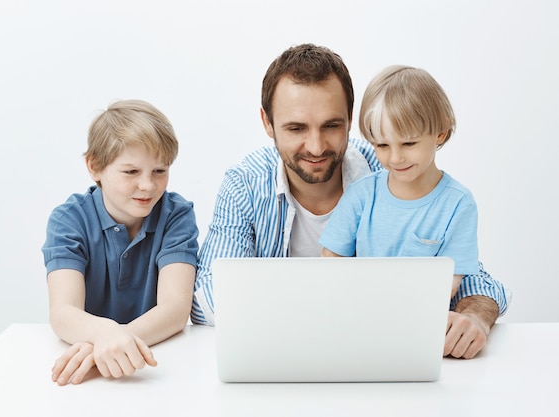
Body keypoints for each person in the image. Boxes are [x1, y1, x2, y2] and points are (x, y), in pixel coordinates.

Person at [192, 43, 510, 359]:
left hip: (375, 357)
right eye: (296, 128)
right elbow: (207, 294)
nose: (316, 147)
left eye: (331, 126)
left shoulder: (390, 166)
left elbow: (473, 279)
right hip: (283, 357)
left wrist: (474, 318)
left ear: (350, 118)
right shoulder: (245, 184)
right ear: (267, 122)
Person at [42, 99, 199, 385]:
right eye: (131, 172)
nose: (148, 186)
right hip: (90, 376)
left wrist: (110, 343)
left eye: (160, 171)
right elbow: (63, 312)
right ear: (94, 166)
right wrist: (104, 335)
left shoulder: (177, 214)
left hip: (156, 366)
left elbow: (176, 308)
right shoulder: (68, 219)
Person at [320, 65, 477, 300]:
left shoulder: (458, 205)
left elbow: (451, 282)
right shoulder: (361, 195)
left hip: (420, 320)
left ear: (440, 133)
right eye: (382, 145)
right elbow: (330, 262)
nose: (395, 158)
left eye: (408, 144)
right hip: (359, 315)